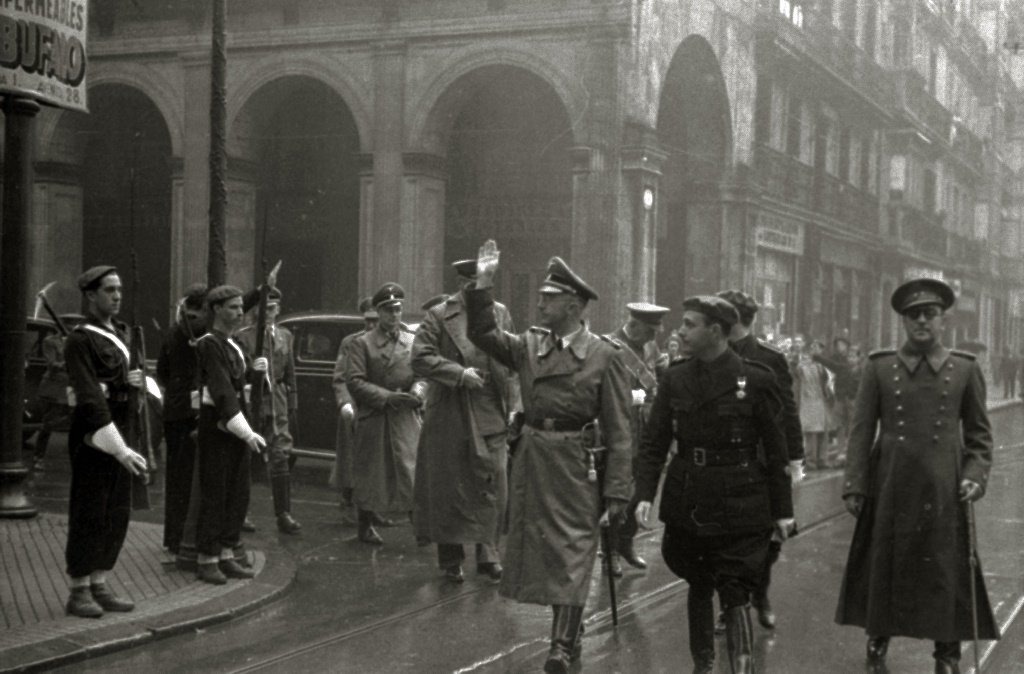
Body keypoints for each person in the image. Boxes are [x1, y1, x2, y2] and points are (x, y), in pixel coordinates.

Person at [465, 241, 632, 674]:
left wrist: (617, 492)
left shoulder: (603, 356)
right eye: (541, 296)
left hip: (577, 466)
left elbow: (619, 431)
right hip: (534, 461)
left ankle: (561, 644)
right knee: (544, 552)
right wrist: (484, 282)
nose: (539, 303)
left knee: (573, 551)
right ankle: (565, 636)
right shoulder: (529, 346)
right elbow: (482, 334)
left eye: (549, 298)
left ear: (574, 305)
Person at [835, 277, 999, 673]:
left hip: (945, 486)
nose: (921, 322)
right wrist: (855, 485)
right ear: (903, 321)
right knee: (885, 564)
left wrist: (975, 475)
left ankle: (946, 653)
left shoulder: (963, 370)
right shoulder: (880, 368)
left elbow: (979, 436)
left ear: (944, 319)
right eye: (913, 316)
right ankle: (877, 641)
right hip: (890, 483)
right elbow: (860, 432)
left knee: (945, 568)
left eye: (929, 314)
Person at [634, 296, 794, 674]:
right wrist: (643, 494)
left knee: (735, 586)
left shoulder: (755, 379)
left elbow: (775, 449)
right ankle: (702, 665)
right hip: (690, 496)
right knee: (699, 580)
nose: (681, 331)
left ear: (716, 332)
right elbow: (654, 442)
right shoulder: (675, 377)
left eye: (690, 324)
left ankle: (741, 668)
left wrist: (783, 510)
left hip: (742, 497)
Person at [413, 260, 518, 583]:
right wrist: (458, 374)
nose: (482, 290)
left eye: (486, 283)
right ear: (463, 283)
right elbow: (419, 357)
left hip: (490, 408)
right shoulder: (439, 314)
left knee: (494, 482)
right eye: (476, 284)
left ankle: (489, 553)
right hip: (452, 409)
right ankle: (451, 557)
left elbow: (512, 362)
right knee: (451, 485)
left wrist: (514, 405)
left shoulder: (499, 313)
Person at [62, 265, 149, 618]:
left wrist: (137, 382)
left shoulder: (125, 334)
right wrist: (119, 446)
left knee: (116, 513)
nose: (117, 296)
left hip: (124, 431)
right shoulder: (80, 340)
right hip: (95, 437)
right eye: (109, 290)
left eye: (119, 290)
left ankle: (100, 582)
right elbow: (88, 396)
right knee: (90, 513)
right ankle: (79, 590)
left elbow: (123, 384)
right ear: (90, 295)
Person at [717, 289, 804, 631]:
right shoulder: (710, 353)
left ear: (734, 319)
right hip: (723, 460)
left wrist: (795, 458)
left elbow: (787, 411)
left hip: (763, 462)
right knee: (725, 537)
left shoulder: (770, 358)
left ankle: (761, 593)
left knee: (768, 537)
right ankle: (730, 605)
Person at [194, 285, 267, 584]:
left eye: (241, 307)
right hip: (219, 428)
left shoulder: (233, 344)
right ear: (216, 310)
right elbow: (223, 391)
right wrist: (247, 432)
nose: (240, 312)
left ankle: (226, 553)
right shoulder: (209, 344)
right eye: (234, 308)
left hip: (237, 428)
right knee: (216, 494)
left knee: (237, 494)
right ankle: (207, 558)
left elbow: (240, 382)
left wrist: (254, 371)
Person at [345, 283, 425, 545]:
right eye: (388, 310)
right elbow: (354, 381)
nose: (394, 315)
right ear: (378, 313)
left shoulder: (412, 342)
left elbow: (424, 374)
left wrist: (418, 391)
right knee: (372, 474)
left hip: (405, 415)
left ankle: (420, 526)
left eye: (398, 309)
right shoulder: (362, 344)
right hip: (376, 415)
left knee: (412, 470)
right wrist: (386, 397)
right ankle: (365, 525)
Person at [603, 301, 670, 575]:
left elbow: (656, 383)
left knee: (642, 489)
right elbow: (604, 391)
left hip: (644, 431)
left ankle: (626, 542)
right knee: (617, 492)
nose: (655, 337)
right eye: (651, 332)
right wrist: (637, 397)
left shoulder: (651, 348)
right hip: (618, 430)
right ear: (635, 326)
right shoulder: (609, 346)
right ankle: (609, 553)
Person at [237, 286, 302, 534]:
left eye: (274, 309)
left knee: (281, 455)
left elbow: (290, 373)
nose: (270, 313)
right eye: (265, 309)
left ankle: (283, 514)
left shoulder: (285, 336)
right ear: (256, 311)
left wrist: (292, 404)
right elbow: (238, 373)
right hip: (254, 402)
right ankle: (241, 513)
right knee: (246, 456)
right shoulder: (245, 337)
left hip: (278, 402)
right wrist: (252, 369)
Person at [156, 283, 207, 554]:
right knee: (189, 478)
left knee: (175, 477)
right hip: (191, 411)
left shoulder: (174, 329)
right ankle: (186, 538)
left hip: (174, 408)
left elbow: (162, 372)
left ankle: (173, 538)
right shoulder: (199, 328)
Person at [331, 297, 378, 524]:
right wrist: (345, 403)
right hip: (355, 407)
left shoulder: (390, 341)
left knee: (376, 461)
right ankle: (347, 505)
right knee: (351, 461)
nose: (370, 325)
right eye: (367, 320)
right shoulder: (351, 342)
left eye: (375, 320)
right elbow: (340, 377)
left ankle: (372, 509)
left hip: (378, 407)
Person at [31, 329, 73, 472]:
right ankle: (38, 457)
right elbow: (52, 364)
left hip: (74, 387)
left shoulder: (79, 342)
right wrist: (68, 363)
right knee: (48, 423)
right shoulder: (51, 341)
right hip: (55, 387)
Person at [794, 340, 831, 469]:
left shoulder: (824, 366)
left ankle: (822, 459)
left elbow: (829, 382)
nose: (815, 350)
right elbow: (798, 375)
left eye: (818, 347)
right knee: (811, 432)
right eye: (813, 347)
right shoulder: (803, 366)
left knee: (823, 432)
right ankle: (811, 460)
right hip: (808, 402)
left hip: (821, 401)